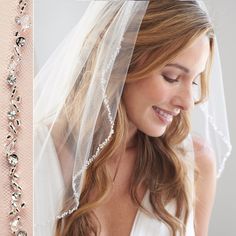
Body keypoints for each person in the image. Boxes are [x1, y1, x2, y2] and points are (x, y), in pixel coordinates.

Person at [34, 1, 231, 236]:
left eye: (195, 81)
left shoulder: (195, 165)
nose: (188, 102)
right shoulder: (34, 155)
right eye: (172, 77)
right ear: (119, 59)